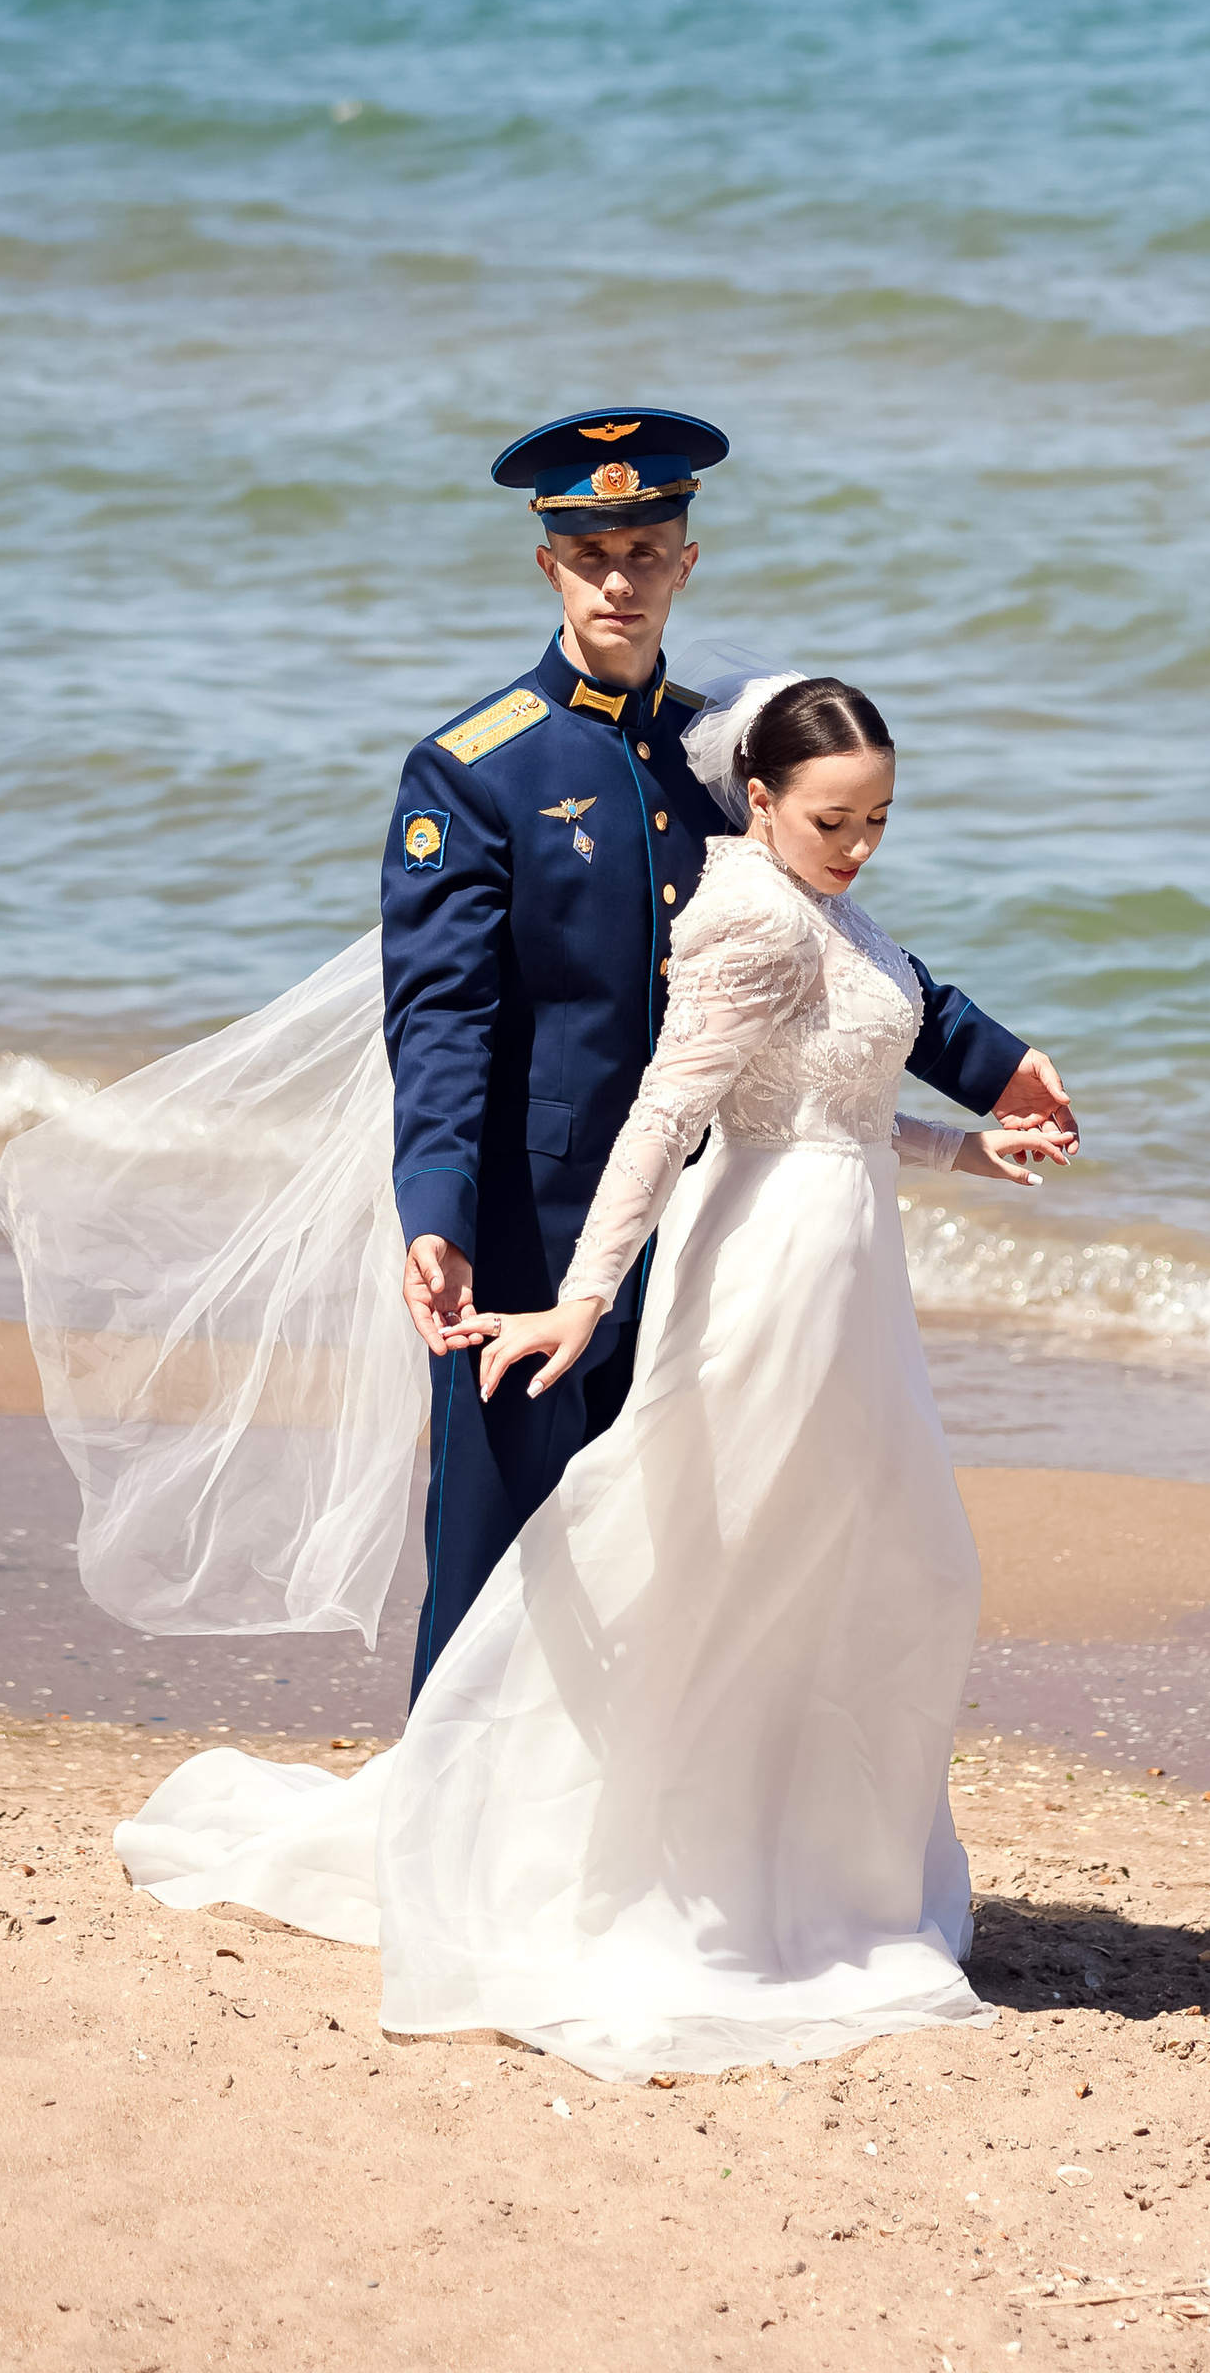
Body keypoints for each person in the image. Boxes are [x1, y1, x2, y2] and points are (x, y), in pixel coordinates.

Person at [116, 673, 1069, 2080]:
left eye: (878, 819)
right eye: (836, 822)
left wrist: (976, 1128)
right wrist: (508, 1251)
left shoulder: (749, 788)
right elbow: (498, 1039)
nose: (859, 843)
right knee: (569, 1552)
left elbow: (844, 1077)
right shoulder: (497, 773)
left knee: (815, 1569)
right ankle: (473, 1853)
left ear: (684, 564)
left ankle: (762, 1858)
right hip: (619, 1227)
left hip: (824, 1280)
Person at [386, 407, 1073, 1694]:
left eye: (645, 552)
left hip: (717, 1223)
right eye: (591, 556)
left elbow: (838, 938)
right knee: (496, 1550)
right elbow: (440, 1017)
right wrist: (435, 1207)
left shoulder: (722, 753)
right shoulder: (475, 771)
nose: (619, 581)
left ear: (685, 564)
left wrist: (988, 1062)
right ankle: (442, 1803)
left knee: (677, 1560)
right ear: (547, 565)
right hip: (537, 1214)